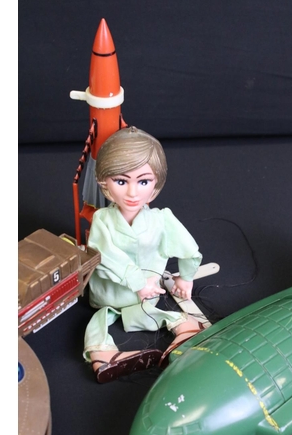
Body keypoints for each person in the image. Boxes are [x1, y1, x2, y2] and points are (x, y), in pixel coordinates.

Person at [84, 126, 204, 383]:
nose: (132, 192)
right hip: (109, 293)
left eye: (143, 181)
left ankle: (186, 328)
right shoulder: (103, 220)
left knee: (145, 312)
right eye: (121, 181)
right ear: (104, 182)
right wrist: (138, 282)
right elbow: (103, 255)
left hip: (149, 297)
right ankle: (103, 355)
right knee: (101, 316)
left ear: (156, 183)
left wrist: (186, 277)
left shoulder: (162, 220)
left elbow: (189, 248)